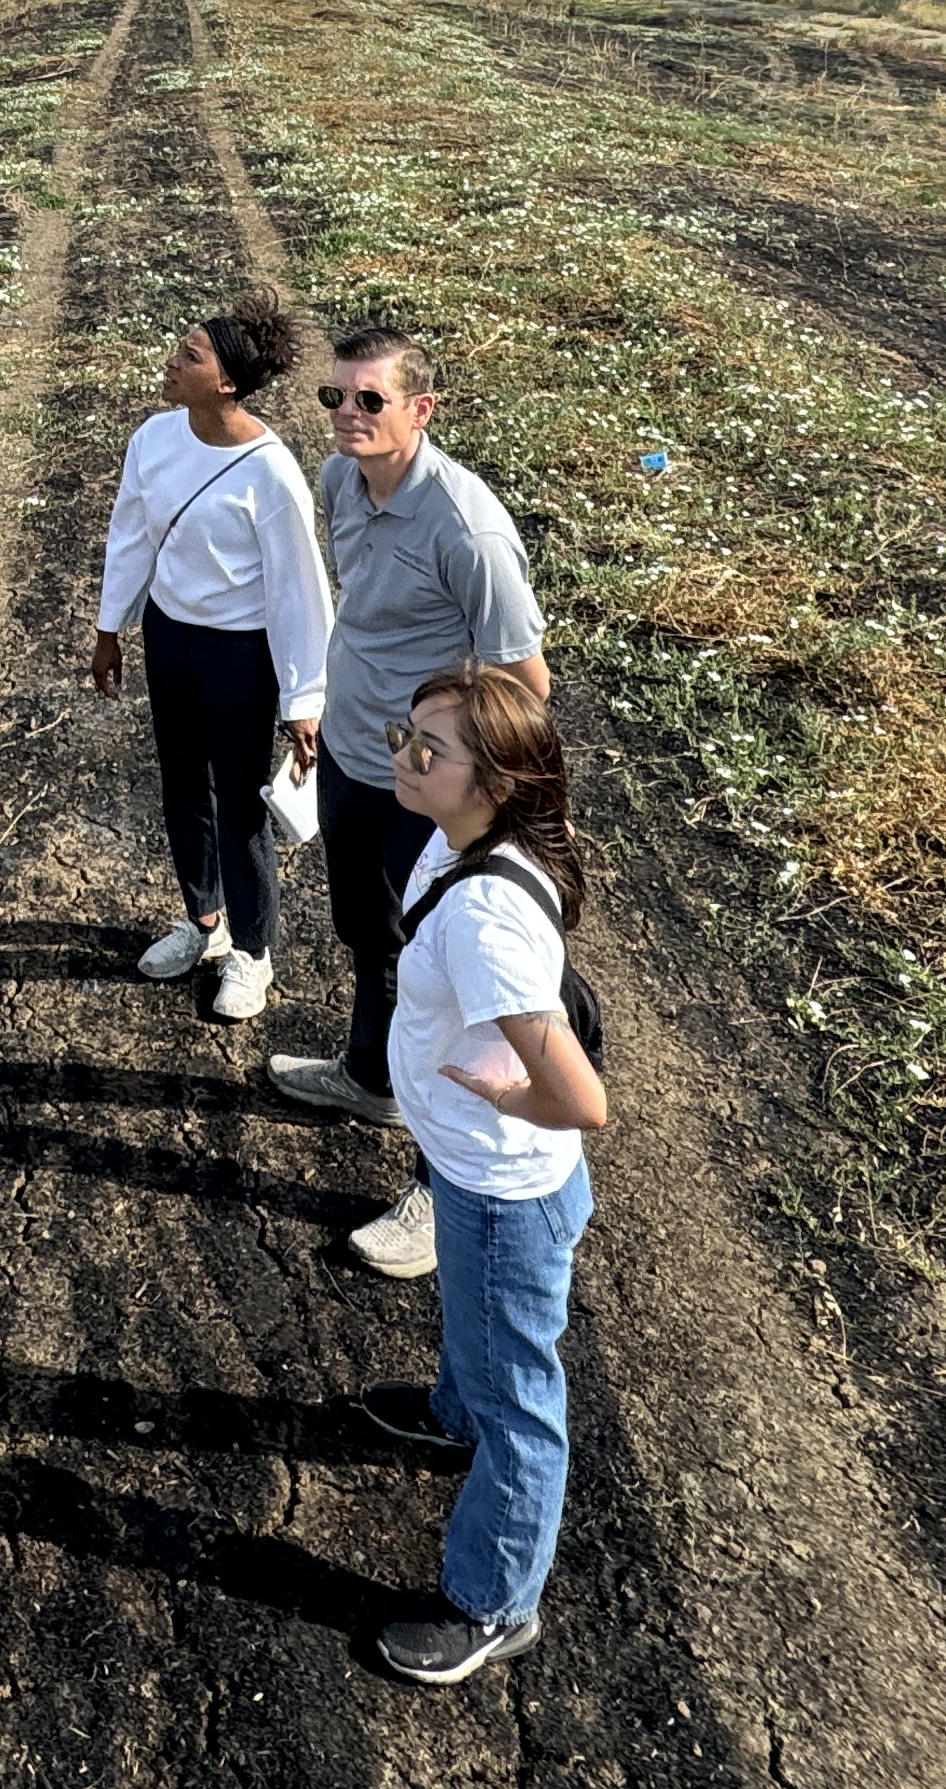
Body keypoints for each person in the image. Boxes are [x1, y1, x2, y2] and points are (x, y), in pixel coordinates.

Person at [261, 325, 550, 1282]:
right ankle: (371, 1079)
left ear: (420, 410)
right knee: (371, 936)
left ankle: (441, 1183)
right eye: (335, 398)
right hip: (351, 756)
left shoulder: (467, 528)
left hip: (431, 792)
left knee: (448, 986)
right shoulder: (341, 481)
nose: (346, 415)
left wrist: (470, 788)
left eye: (369, 401)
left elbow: (524, 680)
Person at [354, 666, 610, 1687]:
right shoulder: (472, 842)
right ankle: (452, 1413)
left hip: (506, 1190)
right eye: (405, 735)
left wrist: (505, 1100)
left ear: (496, 782)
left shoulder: (486, 917)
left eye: (430, 749)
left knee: (522, 1402)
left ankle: (495, 1602)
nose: (406, 757)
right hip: (485, 1181)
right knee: (480, 1337)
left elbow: (583, 1101)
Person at [88, 287, 332, 1022]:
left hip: (239, 655)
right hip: (170, 637)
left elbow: (299, 590)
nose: (171, 362)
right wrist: (110, 628)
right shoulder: (154, 439)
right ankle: (205, 924)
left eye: (189, 356)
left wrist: (304, 701)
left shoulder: (272, 472)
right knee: (181, 788)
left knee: (240, 808)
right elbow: (131, 534)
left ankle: (253, 953)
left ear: (226, 382)